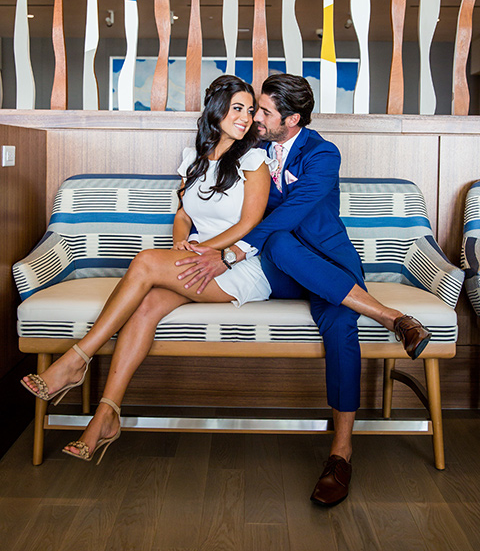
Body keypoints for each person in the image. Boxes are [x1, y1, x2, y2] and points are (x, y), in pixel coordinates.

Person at [175, 73, 432, 507]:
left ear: (292, 120)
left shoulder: (322, 154)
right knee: (276, 243)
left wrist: (233, 252)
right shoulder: (250, 150)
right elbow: (219, 199)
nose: (256, 117)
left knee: (339, 326)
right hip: (275, 266)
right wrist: (211, 239)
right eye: (254, 109)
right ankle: (392, 318)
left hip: (328, 265)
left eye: (265, 113)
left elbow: (294, 209)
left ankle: (341, 452)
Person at [21, 75, 275, 463]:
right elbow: (184, 213)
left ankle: (78, 358)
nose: (246, 117)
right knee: (146, 306)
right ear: (217, 111)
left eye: (250, 110)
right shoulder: (193, 158)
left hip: (238, 265)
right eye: (238, 108)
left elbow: (250, 223)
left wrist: (202, 250)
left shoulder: (255, 159)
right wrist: (180, 243)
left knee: (143, 261)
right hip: (197, 258)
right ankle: (106, 415)